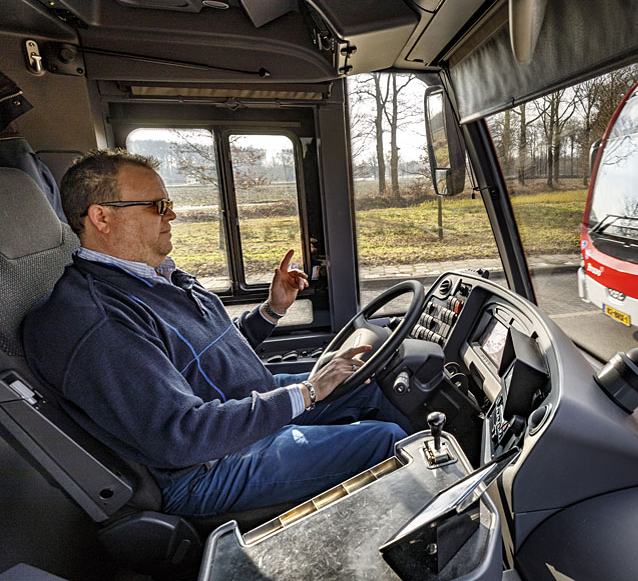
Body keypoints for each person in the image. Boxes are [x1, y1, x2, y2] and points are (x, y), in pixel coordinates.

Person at [22, 150, 411, 517]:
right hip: (204, 466)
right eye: (157, 206)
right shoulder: (101, 320)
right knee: (384, 438)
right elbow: (181, 436)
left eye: (168, 203)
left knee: (369, 380)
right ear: (101, 218)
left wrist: (271, 310)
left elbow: (207, 352)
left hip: (236, 407)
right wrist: (308, 392)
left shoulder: (155, 278)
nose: (171, 214)